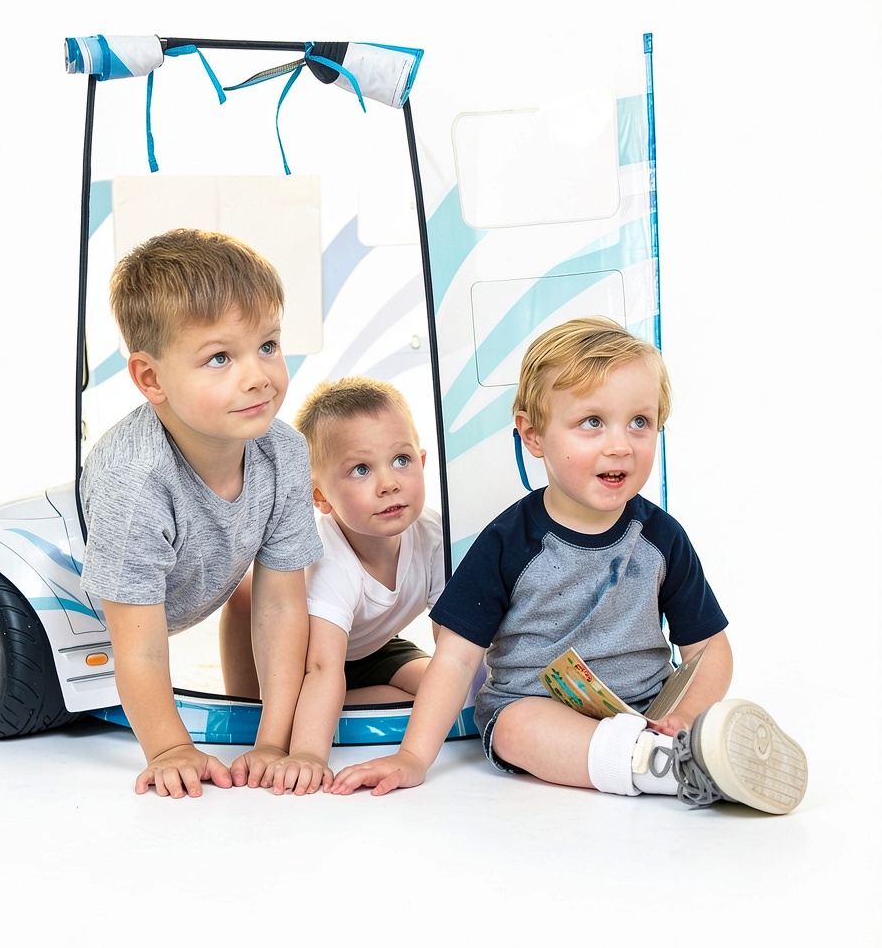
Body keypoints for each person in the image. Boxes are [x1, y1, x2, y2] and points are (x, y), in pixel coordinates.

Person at [330, 317, 808, 814]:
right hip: (539, 709)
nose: (620, 445)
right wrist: (412, 756)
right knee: (516, 728)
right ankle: (667, 768)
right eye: (592, 422)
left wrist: (684, 714)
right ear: (533, 435)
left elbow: (708, 649)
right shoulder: (508, 543)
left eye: (639, 422)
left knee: (698, 708)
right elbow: (454, 659)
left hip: (650, 708)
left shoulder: (662, 538)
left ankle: (682, 749)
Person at [79, 228, 326, 799]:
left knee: (259, 594)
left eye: (268, 345)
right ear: (151, 379)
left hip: (195, 586)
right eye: (220, 357)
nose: (258, 376)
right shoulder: (135, 480)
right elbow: (139, 646)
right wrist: (170, 748)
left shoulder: (284, 452)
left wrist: (274, 741)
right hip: (100, 604)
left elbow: (281, 604)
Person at [282, 377, 445, 772]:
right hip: (310, 659)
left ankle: (340, 704)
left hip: (372, 649)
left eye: (401, 460)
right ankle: (287, 712)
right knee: (306, 707)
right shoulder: (328, 559)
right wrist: (307, 756)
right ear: (320, 495)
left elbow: (453, 648)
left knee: (441, 688)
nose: (389, 484)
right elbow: (323, 669)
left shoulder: (434, 536)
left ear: (422, 462)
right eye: (360, 469)